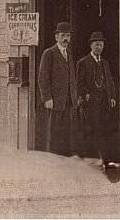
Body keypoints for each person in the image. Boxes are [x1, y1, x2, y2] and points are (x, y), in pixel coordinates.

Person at [76, 31, 120, 177]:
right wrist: (85, 94)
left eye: (101, 45)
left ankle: (105, 161)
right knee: (92, 131)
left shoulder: (105, 63)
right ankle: (91, 161)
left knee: (105, 130)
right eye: (96, 44)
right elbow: (79, 83)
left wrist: (112, 97)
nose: (99, 47)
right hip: (91, 104)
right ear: (91, 45)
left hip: (104, 104)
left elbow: (110, 82)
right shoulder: (83, 62)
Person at [37, 21, 78, 156]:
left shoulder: (69, 54)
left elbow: (71, 78)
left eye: (68, 36)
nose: (66, 39)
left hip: (67, 101)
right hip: (54, 101)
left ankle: (65, 159)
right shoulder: (49, 53)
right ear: (56, 37)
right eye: (63, 36)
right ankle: (53, 161)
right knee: (54, 133)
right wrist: (47, 98)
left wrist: (74, 97)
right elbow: (43, 78)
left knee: (66, 133)